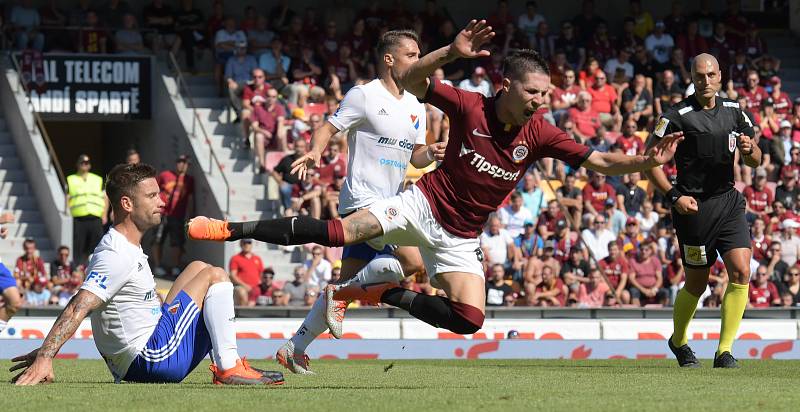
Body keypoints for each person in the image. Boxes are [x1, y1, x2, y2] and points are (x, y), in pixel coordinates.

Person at [188, 20, 681, 356]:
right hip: (419, 206)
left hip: (462, 237)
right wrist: (450, 52)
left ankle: (379, 294)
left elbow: (600, 160)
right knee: (340, 233)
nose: (540, 102)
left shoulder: (542, 133)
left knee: (469, 319)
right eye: (533, 92)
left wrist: (643, 161)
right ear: (507, 86)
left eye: (546, 95)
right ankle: (232, 228)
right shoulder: (469, 106)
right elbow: (409, 75)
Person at [264, 30, 441, 374]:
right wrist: (315, 151)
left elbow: (416, 158)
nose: (418, 62)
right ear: (389, 59)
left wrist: (430, 152)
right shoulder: (363, 95)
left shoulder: (416, 106)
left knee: (352, 280)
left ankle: (294, 347)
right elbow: (328, 128)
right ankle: (341, 293)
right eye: (412, 55)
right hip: (362, 200)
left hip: (390, 203)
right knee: (413, 260)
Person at [10, 163, 282, 386]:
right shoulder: (116, 254)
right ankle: (228, 368)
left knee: (197, 268)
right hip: (150, 360)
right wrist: (47, 355)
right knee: (215, 275)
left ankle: (228, 366)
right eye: (152, 196)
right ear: (127, 203)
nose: (162, 202)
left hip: (144, 357)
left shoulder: (127, 247)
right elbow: (78, 306)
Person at [645, 53, 760, 369]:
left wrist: (752, 152)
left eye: (711, 75)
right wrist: (673, 196)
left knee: (741, 271)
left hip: (728, 202)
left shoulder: (736, 112)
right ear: (692, 79)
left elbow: (755, 158)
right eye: (699, 76)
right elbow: (649, 161)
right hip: (692, 209)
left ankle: (724, 351)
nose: (705, 81)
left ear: (720, 76)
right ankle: (679, 341)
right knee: (697, 283)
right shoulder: (677, 116)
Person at [153, 155, 194, 276]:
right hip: (162, 213)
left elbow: (190, 198)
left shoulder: (189, 180)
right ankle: (157, 266)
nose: (182, 165)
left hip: (178, 215)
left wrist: (191, 216)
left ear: (188, 166)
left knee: (177, 243)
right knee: (157, 239)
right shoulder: (165, 175)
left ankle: (175, 266)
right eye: (180, 162)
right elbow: (154, 191)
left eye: (185, 163)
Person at [66, 154, 108, 266]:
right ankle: (79, 269)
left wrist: (104, 214)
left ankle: (98, 267)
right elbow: (67, 198)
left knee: (97, 246)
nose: (85, 165)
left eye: (87, 163)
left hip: (95, 217)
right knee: (79, 247)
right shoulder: (71, 179)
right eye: (82, 163)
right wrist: (67, 213)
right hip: (79, 218)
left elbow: (105, 197)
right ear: (78, 165)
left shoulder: (97, 179)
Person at [229, 239, 263, 306]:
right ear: (240, 244)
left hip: (255, 287)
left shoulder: (257, 258)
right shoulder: (235, 258)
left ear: (251, 244)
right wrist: (245, 286)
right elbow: (233, 275)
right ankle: (244, 315)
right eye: (244, 242)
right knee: (242, 292)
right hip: (241, 286)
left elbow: (261, 275)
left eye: (249, 242)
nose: (247, 244)